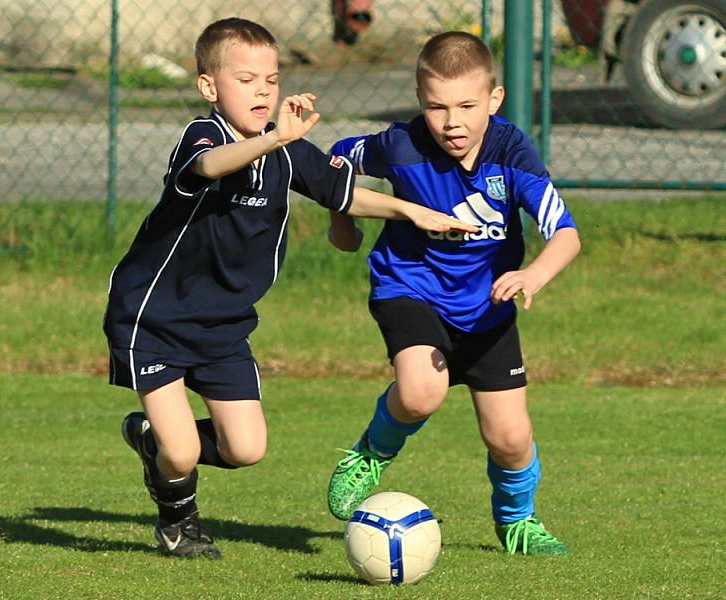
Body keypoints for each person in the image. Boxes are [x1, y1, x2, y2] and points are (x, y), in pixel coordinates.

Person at [102, 18, 475, 560]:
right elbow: (208, 166)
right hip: (154, 318)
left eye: (271, 80)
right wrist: (275, 136)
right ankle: (178, 523)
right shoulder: (204, 137)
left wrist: (413, 212)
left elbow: (343, 194)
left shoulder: (286, 151)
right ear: (209, 86)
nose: (262, 91)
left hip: (224, 326)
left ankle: (153, 440)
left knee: (246, 448)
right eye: (247, 79)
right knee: (182, 452)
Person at [325, 31, 581, 556]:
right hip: (410, 287)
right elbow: (334, 164)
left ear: (495, 98)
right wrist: (342, 225)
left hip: (487, 309)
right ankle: (370, 453)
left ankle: (517, 523)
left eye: (467, 105)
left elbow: (567, 234)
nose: (451, 122)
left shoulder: (512, 152)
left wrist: (533, 275)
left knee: (510, 438)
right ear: (420, 102)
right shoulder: (401, 145)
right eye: (436, 107)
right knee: (422, 392)